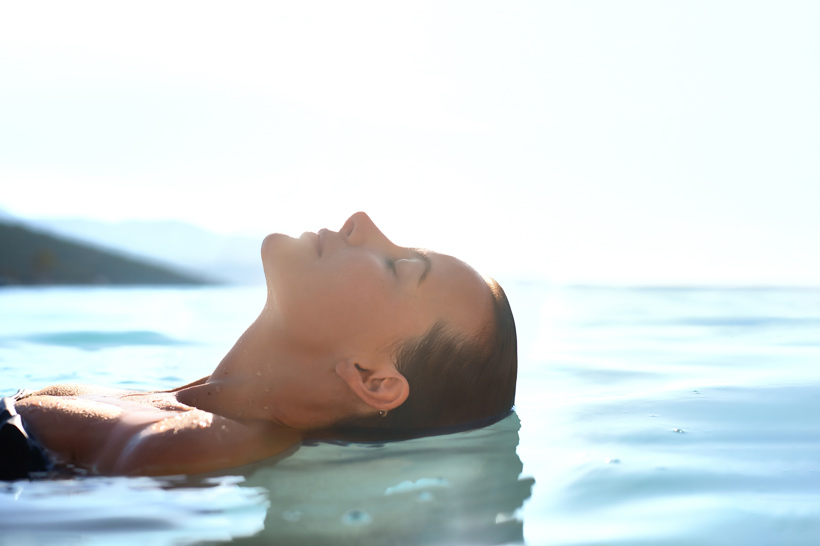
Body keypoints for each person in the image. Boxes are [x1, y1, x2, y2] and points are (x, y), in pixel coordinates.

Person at [1, 212, 517, 479]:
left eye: (399, 266)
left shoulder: (204, 445)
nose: (361, 222)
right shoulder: (175, 408)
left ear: (372, 377)